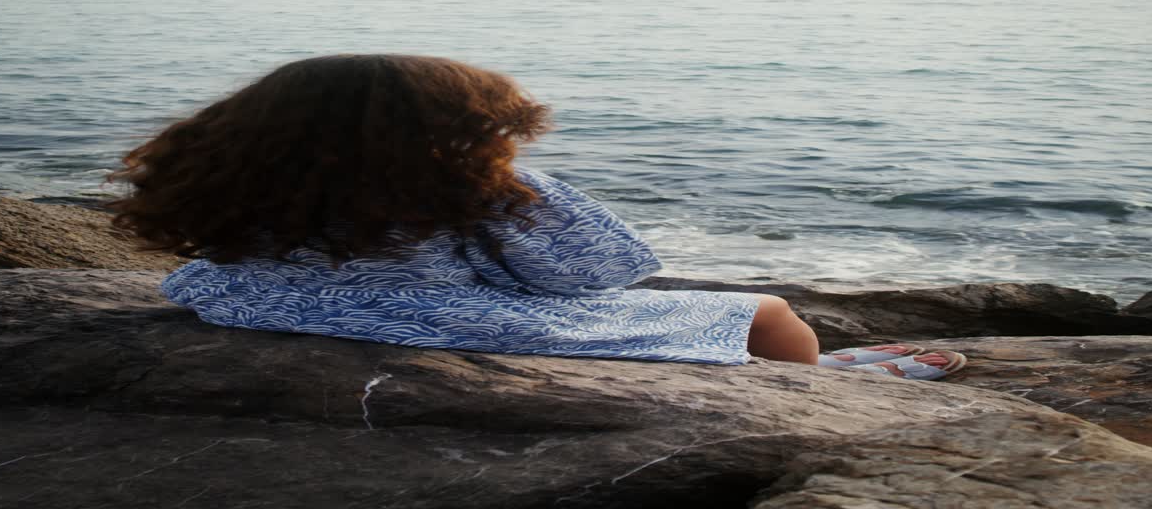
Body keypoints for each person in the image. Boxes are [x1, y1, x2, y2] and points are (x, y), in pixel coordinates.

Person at [108, 54, 965, 380]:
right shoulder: (465, 187)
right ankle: (826, 384)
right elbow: (592, 273)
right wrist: (515, 184)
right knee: (767, 311)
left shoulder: (251, 171)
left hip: (260, 304)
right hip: (429, 321)